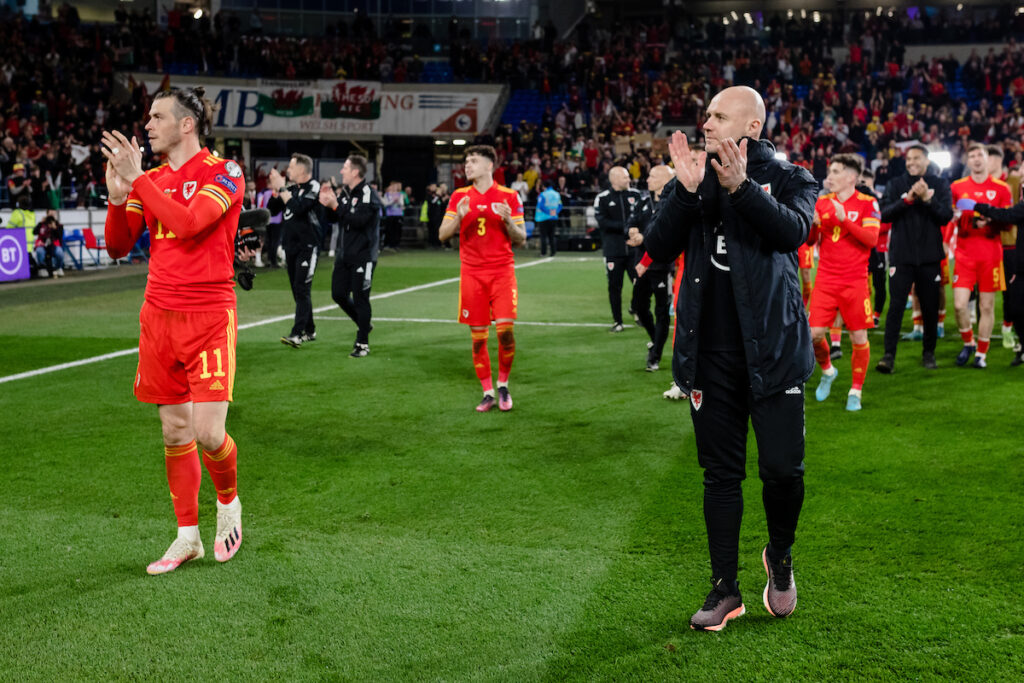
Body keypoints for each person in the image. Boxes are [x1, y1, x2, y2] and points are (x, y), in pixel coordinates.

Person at [644, 86, 818, 632]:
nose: (707, 123)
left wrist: (741, 188)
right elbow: (657, 249)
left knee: (783, 471)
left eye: (719, 115)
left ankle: (780, 556)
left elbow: (792, 232)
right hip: (711, 354)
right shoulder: (693, 178)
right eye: (707, 114)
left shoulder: (791, 177)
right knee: (720, 474)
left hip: (775, 350)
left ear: (752, 126)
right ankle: (725, 588)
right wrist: (684, 193)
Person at [100, 86, 245, 574]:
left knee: (208, 432)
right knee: (175, 429)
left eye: (157, 117)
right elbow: (118, 246)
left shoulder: (224, 172)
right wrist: (117, 198)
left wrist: (138, 180)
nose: (148, 125)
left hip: (208, 316)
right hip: (159, 316)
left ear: (187, 124)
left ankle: (228, 501)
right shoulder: (155, 179)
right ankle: (187, 537)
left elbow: (187, 224)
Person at [438, 145, 526, 412]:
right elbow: (442, 234)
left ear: (490, 165)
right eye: (466, 161)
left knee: (506, 333)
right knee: (478, 339)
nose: (467, 165)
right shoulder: (459, 196)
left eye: (473, 161)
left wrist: (509, 222)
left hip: (502, 273)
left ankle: (503, 385)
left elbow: (521, 238)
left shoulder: (509, 196)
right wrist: (459, 218)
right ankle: (487, 392)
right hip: (472, 275)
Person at [808, 154, 881, 411]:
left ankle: (856, 390)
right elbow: (810, 242)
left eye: (836, 171)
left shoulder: (868, 203)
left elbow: (872, 240)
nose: (830, 176)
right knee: (813, 335)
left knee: (859, 336)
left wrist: (845, 220)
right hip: (826, 279)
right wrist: (813, 226)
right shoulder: (822, 202)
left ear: (851, 177)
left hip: (855, 282)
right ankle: (828, 371)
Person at [876, 146, 953, 373]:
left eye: (916, 158)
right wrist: (907, 200)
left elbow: (946, 216)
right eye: (908, 159)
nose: (911, 162)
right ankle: (888, 356)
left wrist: (928, 200)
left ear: (927, 160)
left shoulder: (940, 184)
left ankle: (929, 353)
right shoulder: (896, 184)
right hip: (901, 257)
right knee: (896, 307)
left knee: (930, 308)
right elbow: (883, 214)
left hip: (930, 257)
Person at [948, 143, 1013, 368]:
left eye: (980, 155)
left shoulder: (1002, 188)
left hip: (990, 255)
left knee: (986, 306)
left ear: (987, 159)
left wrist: (991, 221)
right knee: (959, 305)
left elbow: (1008, 222)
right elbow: (952, 217)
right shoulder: (957, 187)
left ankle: (981, 354)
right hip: (964, 254)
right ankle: (968, 343)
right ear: (968, 161)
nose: (976, 159)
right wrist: (965, 222)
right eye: (972, 156)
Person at [319, 155, 381, 358]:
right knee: (338, 294)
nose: (341, 171)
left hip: (364, 255)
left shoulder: (368, 194)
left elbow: (360, 221)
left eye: (345, 168)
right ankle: (364, 323)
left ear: (355, 172)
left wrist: (336, 206)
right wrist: (327, 204)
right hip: (345, 254)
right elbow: (336, 217)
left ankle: (362, 343)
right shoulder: (345, 192)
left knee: (361, 298)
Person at [268, 154, 323, 348]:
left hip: (307, 246)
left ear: (301, 169)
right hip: (291, 246)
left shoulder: (313, 186)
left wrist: (283, 189)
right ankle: (310, 329)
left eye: (291, 167)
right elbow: (272, 209)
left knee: (302, 288)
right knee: (297, 290)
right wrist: (277, 190)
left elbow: (299, 208)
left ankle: (297, 333)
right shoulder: (291, 189)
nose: (288, 170)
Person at [626, 164, 675, 372]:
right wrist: (632, 231)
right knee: (639, 306)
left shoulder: (673, 203)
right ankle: (656, 340)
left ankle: (655, 356)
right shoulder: (643, 201)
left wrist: (643, 238)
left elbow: (666, 232)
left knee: (662, 310)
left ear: (665, 179)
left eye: (653, 176)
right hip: (641, 264)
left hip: (661, 265)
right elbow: (631, 221)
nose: (647, 179)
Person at [971, 194, 1024, 365]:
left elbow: (1008, 215)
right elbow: (1009, 215)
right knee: (1015, 308)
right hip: (1021, 269)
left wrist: (981, 207)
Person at [594, 166, 643, 332]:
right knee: (615, 287)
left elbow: (643, 217)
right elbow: (602, 222)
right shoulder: (602, 198)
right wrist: (628, 228)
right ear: (613, 179)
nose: (629, 179)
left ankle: (636, 309)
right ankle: (617, 321)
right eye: (625, 177)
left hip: (635, 250)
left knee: (640, 283)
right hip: (613, 251)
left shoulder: (636, 195)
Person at [987, 145, 1018, 350]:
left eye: (987, 158)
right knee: (985, 293)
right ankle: (984, 334)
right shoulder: (979, 185)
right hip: (985, 244)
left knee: (1011, 293)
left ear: (998, 160)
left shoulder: (1014, 182)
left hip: (1008, 245)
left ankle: (1007, 328)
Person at [860, 168, 890, 326]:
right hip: (861, 249)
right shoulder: (855, 198)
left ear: (872, 180)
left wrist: (869, 228)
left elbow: (886, 222)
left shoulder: (879, 199)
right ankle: (861, 313)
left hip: (879, 248)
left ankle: (876, 314)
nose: (863, 183)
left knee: (879, 284)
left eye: (865, 180)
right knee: (860, 284)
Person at [33, 213, 66, 277]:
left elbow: (60, 236)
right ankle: (42, 268)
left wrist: (55, 228)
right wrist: (40, 223)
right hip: (42, 245)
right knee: (39, 251)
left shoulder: (59, 225)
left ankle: (58, 268)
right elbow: (34, 232)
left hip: (54, 245)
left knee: (59, 252)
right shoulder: (42, 224)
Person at [535, 182, 562, 256]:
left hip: (543, 218)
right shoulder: (557, 194)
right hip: (554, 217)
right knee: (552, 236)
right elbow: (560, 205)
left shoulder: (543, 194)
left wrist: (548, 212)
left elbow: (540, 206)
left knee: (543, 236)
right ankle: (553, 252)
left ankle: (543, 252)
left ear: (544, 186)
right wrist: (555, 212)